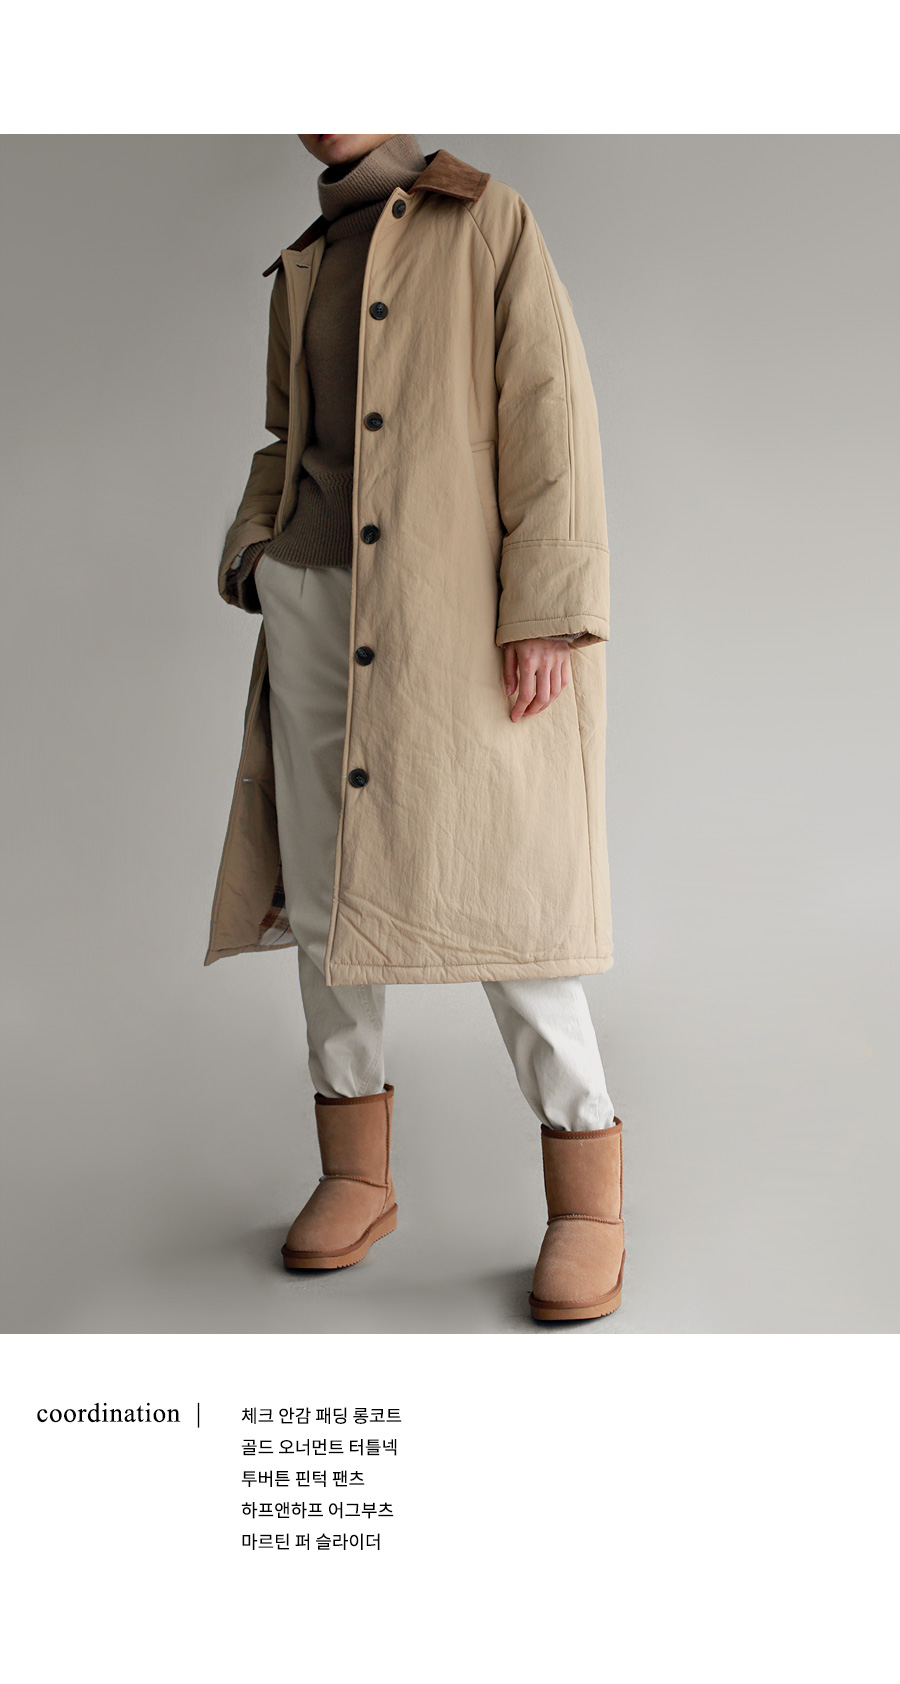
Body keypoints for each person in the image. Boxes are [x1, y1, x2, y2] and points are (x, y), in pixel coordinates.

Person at [206, 134, 624, 1323]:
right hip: (313, 607)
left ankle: (588, 1198)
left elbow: (552, 419)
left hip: (447, 614)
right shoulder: (303, 259)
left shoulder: (487, 221)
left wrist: (545, 609)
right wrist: (255, 552)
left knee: (510, 889)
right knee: (326, 890)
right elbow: (286, 440)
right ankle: (356, 1172)